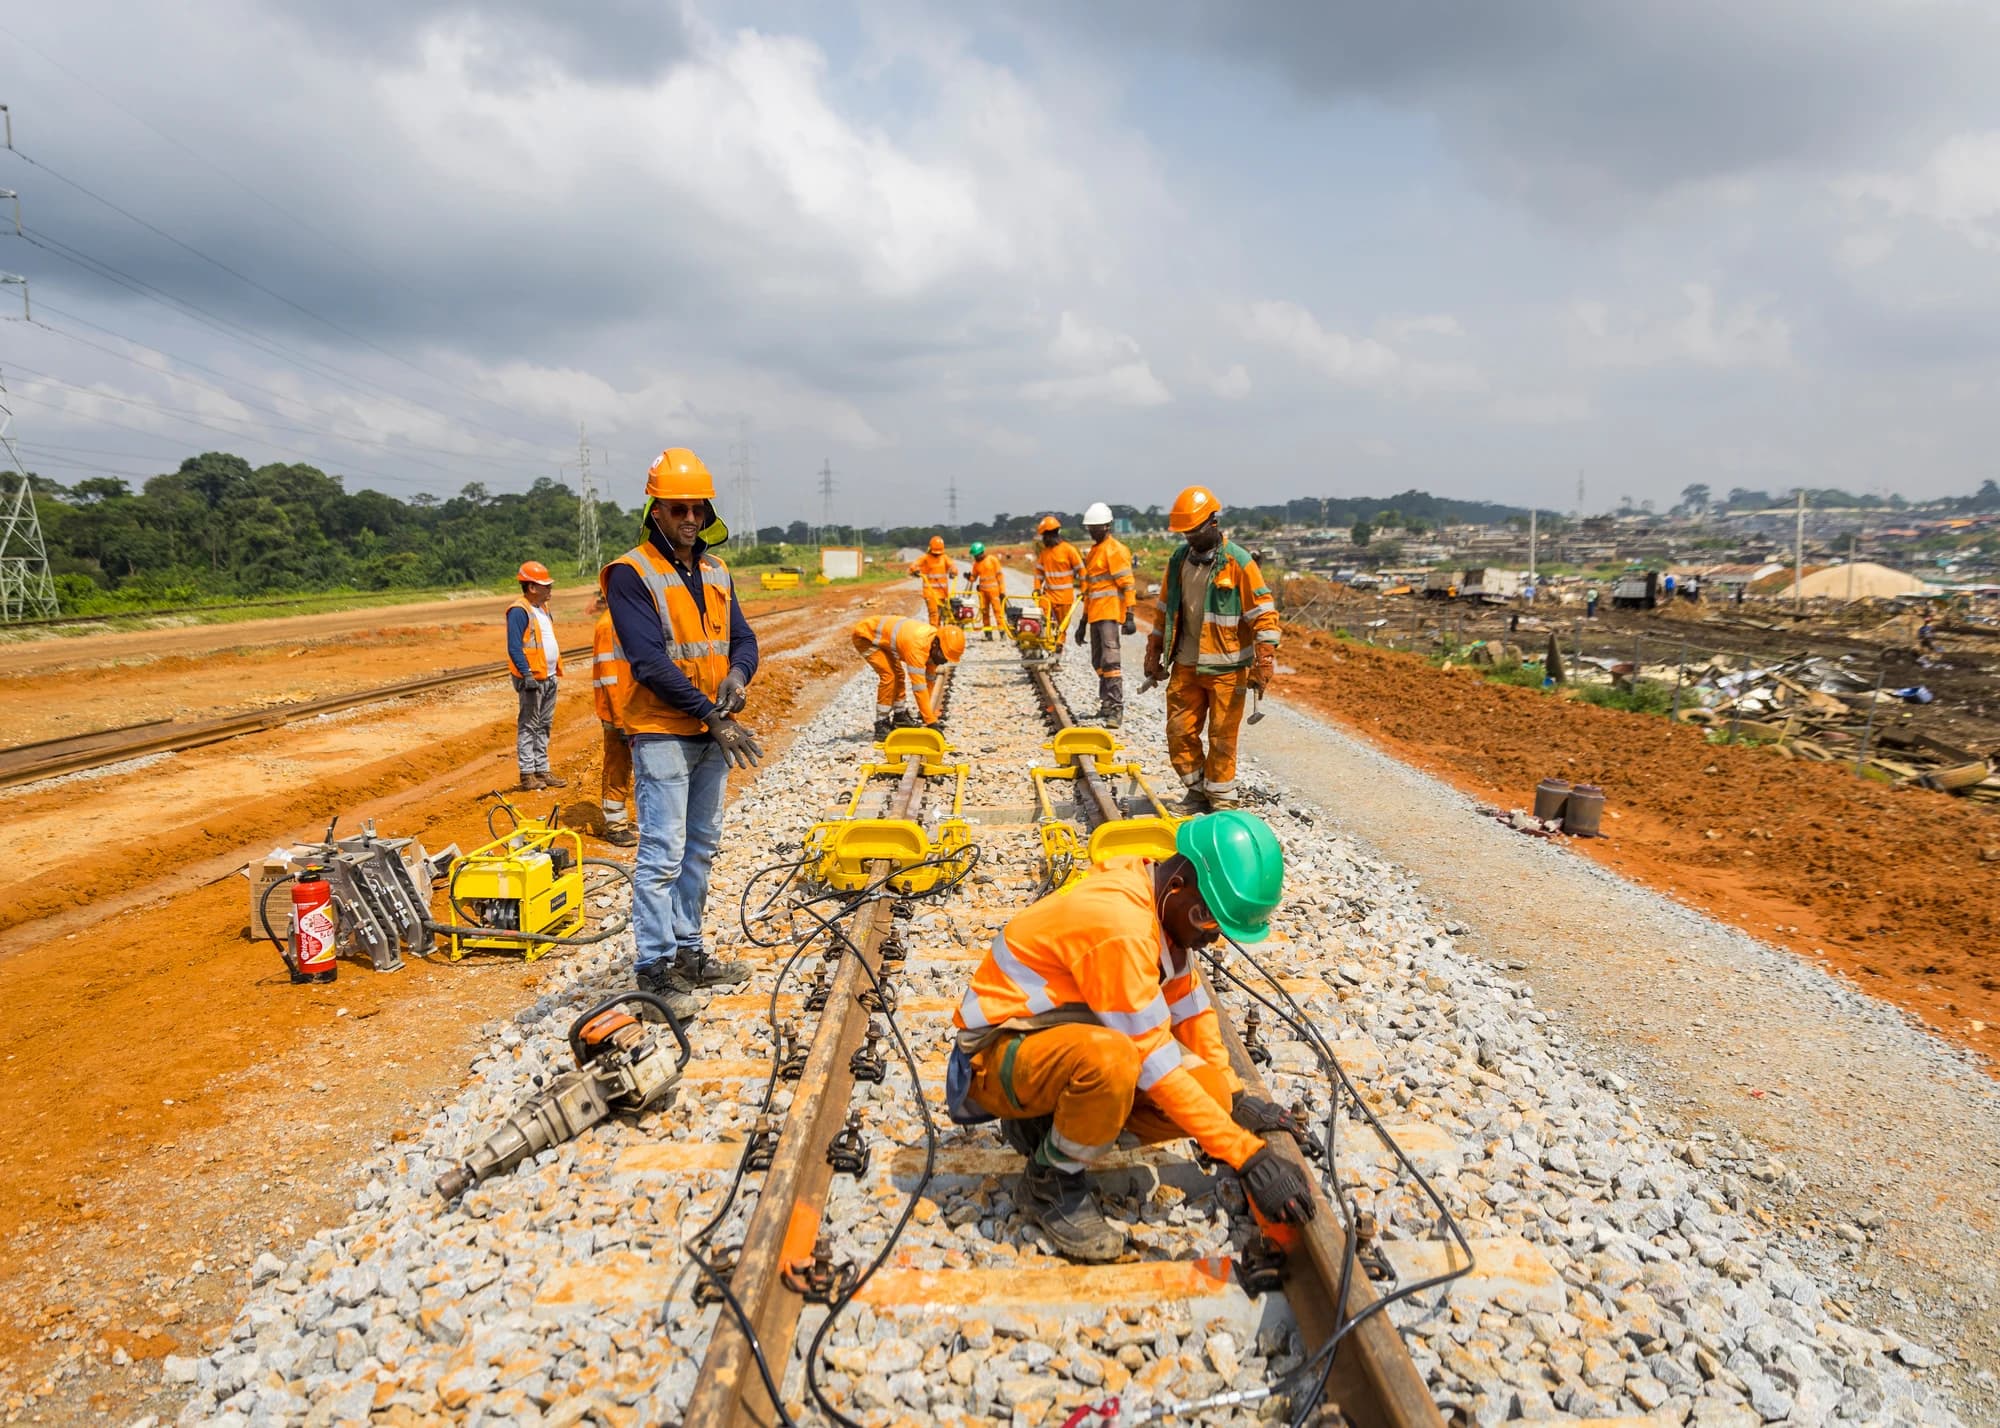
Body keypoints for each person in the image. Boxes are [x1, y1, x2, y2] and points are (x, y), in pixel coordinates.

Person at [946, 811, 1315, 1262]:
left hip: (1049, 1043)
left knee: (1212, 1095)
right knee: (1116, 1060)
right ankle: (1050, 1180)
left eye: (1219, 928)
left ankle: (1047, 1125)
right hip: (995, 1056)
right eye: (1206, 919)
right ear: (1178, 886)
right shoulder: (1121, 926)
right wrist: (1247, 1155)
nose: (1210, 938)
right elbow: (1155, 1063)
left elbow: (1192, 1011)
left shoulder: (1159, 905)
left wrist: (1236, 1100)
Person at [603, 448, 765, 1024]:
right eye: (678, 509)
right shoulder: (631, 573)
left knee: (701, 847)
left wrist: (739, 678)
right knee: (663, 854)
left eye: (698, 508)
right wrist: (713, 716)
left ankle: (690, 953)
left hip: (709, 731)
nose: (690, 518)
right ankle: (653, 970)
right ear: (656, 511)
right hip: (664, 731)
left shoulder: (718, 571)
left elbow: (743, 639)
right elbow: (647, 660)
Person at [1143, 487, 1279, 811]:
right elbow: (1165, 610)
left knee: (1221, 738)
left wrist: (1265, 660)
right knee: (1179, 732)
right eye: (1186, 532)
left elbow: (1264, 614)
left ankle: (1221, 801)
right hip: (1186, 664)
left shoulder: (1239, 563)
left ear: (1213, 522)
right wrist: (1153, 651)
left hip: (1228, 670)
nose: (1190, 537)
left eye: (1196, 530)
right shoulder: (1178, 561)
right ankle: (1197, 791)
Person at [852, 615, 967, 738]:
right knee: (889, 676)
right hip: (865, 636)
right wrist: (931, 722)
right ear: (936, 645)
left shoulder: (933, 644)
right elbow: (919, 688)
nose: (944, 661)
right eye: (944, 657)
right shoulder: (917, 648)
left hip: (882, 639)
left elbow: (929, 681)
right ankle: (881, 723)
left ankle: (899, 716)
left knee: (899, 675)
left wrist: (929, 714)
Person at [1076, 502, 1138, 727]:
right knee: (1098, 662)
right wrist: (1082, 622)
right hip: (1094, 615)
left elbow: (1128, 584)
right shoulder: (1093, 553)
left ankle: (1116, 708)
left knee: (1111, 661)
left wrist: (1130, 614)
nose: (1093, 531)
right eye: (1090, 527)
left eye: (1097, 527)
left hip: (1111, 614)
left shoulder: (1116, 550)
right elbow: (1090, 591)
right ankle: (1106, 703)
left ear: (1107, 526)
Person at [505, 560, 565, 792]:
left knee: (545, 724)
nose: (550, 589)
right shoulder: (520, 611)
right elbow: (514, 647)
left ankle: (542, 769)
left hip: (548, 676)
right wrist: (526, 674)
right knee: (529, 725)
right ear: (531, 587)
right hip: (532, 678)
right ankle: (527, 774)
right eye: (545, 585)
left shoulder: (542, 609)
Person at [590, 591, 636, 847]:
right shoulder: (609, 625)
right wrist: (619, 720)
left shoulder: (625, 619)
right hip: (619, 711)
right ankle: (615, 824)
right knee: (618, 766)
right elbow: (610, 678)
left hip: (635, 708)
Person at [1033, 516, 1086, 656]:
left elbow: (1081, 570)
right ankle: (1046, 649)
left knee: (1061, 628)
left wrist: (1084, 589)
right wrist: (1037, 589)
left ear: (1053, 534)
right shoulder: (1044, 554)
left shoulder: (1069, 550)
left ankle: (1056, 654)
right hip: (1048, 597)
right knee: (1045, 623)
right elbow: (1038, 573)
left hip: (1065, 598)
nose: (1044, 539)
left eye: (1045, 535)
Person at [908, 536, 957, 625]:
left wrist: (953, 572)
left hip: (942, 592)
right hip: (930, 592)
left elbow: (953, 566)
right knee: (934, 614)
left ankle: (940, 634)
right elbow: (913, 565)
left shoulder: (944, 558)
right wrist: (915, 570)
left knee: (942, 614)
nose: (937, 555)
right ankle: (934, 635)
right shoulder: (925, 558)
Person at [967, 541, 1005, 640]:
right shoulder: (976, 564)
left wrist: (1002, 591)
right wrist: (969, 577)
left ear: (981, 553)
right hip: (982, 592)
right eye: (974, 556)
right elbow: (973, 577)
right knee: (984, 611)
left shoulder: (993, 560)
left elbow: (1000, 576)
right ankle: (988, 633)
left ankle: (1002, 632)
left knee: (997, 611)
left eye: (976, 555)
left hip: (994, 591)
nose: (975, 557)